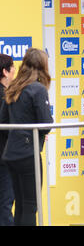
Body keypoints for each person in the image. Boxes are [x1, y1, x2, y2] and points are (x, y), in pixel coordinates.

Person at [0, 48, 53, 226]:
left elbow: (3, 122)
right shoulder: (38, 89)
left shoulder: (13, 87)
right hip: (28, 155)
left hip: (11, 154)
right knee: (30, 205)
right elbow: (46, 124)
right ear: (42, 67)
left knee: (22, 205)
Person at [0, 54, 15, 226]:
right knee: (5, 202)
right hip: (4, 156)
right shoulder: (5, 97)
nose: (14, 74)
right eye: (12, 70)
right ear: (5, 71)